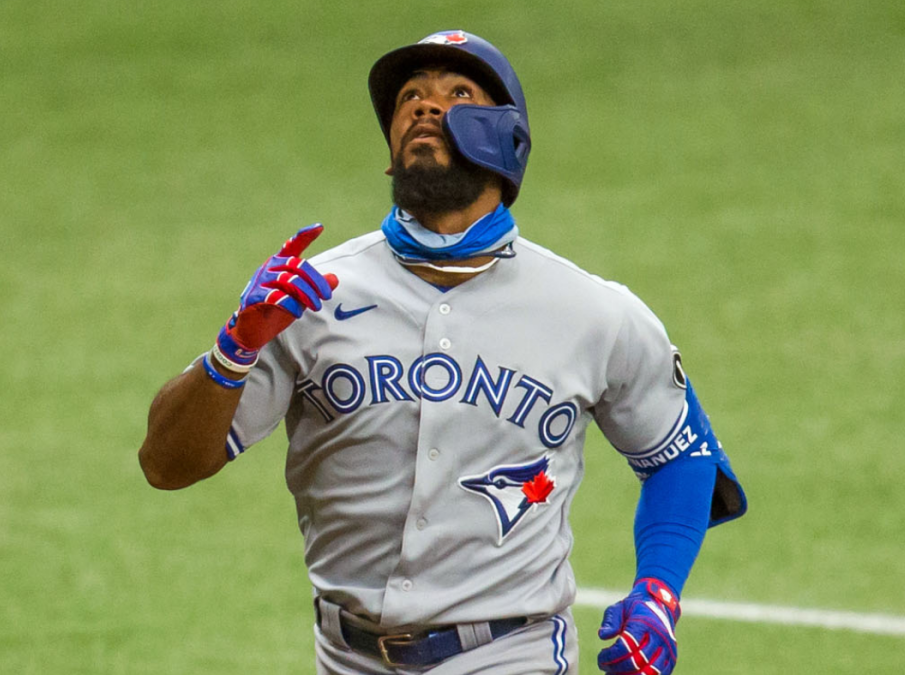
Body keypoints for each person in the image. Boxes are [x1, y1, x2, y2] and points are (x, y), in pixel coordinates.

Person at [138, 30, 746, 675]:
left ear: (509, 141)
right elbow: (166, 465)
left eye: (458, 93)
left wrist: (657, 592)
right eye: (409, 97)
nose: (425, 107)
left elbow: (682, 457)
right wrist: (232, 351)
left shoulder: (593, 312)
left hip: (513, 655)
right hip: (347, 658)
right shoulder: (307, 295)